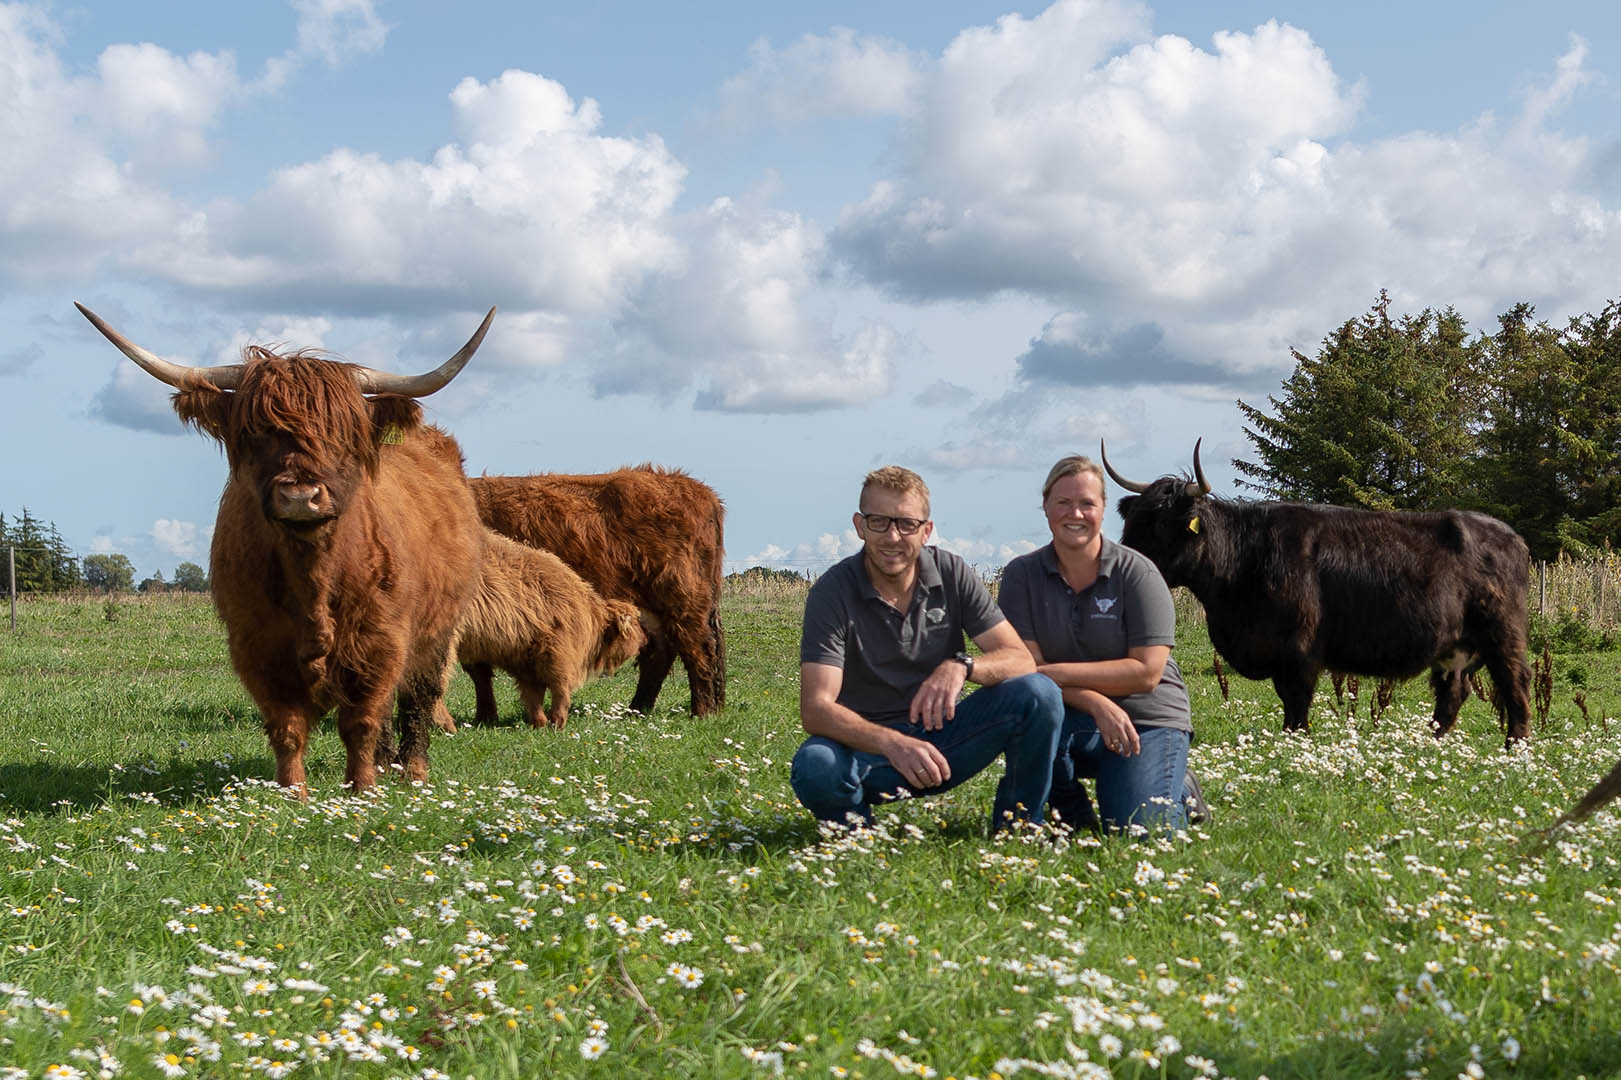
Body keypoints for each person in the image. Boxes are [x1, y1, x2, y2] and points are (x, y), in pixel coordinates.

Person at [790, 466, 1065, 833]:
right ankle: (855, 836)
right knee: (815, 765)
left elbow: (1020, 659)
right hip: (870, 749)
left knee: (1038, 692)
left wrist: (962, 666)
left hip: (945, 739)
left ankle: (1018, 827)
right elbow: (816, 709)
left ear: (926, 530)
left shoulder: (951, 572)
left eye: (906, 523)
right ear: (859, 526)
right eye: (878, 522)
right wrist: (892, 743)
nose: (892, 536)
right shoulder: (832, 592)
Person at [997, 454, 1208, 835]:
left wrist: (1051, 673)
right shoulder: (1020, 576)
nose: (1074, 513)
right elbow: (1029, 678)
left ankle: (1178, 790)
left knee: (1138, 831)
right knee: (1031, 717)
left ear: (1104, 509)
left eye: (1087, 503)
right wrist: (1095, 701)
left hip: (1147, 717)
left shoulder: (1137, 573)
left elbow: (1145, 673)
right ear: (1045, 506)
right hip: (1072, 714)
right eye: (1062, 502)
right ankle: (1072, 815)